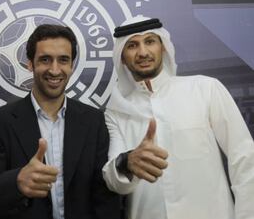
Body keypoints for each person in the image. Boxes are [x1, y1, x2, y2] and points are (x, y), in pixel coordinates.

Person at [102, 15, 254, 219]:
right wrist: (126, 162)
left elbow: (244, 158)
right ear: (122, 56)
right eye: (132, 45)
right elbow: (114, 182)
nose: (143, 52)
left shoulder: (205, 88)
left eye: (149, 42)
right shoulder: (117, 111)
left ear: (163, 47)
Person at [0, 24, 121, 219]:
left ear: (72, 65)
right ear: (30, 64)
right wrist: (17, 182)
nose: (54, 70)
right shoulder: (0, 121)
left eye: (63, 60)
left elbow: (106, 198)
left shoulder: (94, 121)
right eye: (45, 60)